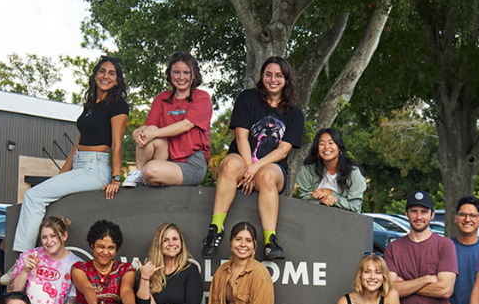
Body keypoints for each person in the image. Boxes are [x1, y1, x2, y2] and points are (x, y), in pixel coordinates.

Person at [13, 56, 130, 252]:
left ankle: (22, 259)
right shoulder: (90, 106)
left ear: (117, 80)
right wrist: (60, 177)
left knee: (33, 196)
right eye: (102, 71)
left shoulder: (118, 105)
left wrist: (116, 179)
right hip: (79, 165)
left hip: (95, 168)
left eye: (112, 73)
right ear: (95, 75)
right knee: (42, 195)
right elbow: (77, 144)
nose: (106, 76)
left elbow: (117, 144)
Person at [201, 56, 305, 261]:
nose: (273, 79)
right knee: (230, 164)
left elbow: (284, 150)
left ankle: (270, 241)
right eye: (268, 74)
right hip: (243, 162)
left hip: (272, 169)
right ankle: (215, 230)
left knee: (266, 175)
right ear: (262, 76)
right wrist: (249, 168)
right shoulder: (247, 98)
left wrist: (255, 169)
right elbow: (241, 136)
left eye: (279, 75)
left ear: (286, 79)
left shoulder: (295, 113)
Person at [384, 191, 457, 304]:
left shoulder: (445, 245)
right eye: (414, 211)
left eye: (424, 212)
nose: (419, 216)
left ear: (432, 214)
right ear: (406, 213)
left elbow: (445, 289)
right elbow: (389, 290)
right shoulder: (393, 248)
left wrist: (404, 284)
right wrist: (425, 279)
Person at [125, 51, 212, 187]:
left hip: (191, 162)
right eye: (176, 72)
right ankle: (138, 173)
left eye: (186, 73)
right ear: (170, 74)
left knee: (151, 170)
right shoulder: (162, 98)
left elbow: (185, 125)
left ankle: (143, 174)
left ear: (193, 75)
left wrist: (153, 133)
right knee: (149, 130)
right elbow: (148, 126)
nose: (181, 77)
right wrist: (136, 132)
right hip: (166, 156)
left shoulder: (202, 98)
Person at [70, 220, 138, 304]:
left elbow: (126, 291)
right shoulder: (79, 268)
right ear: (92, 245)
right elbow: (87, 288)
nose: (105, 252)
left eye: (111, 248)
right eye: (101, 247)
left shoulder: (125, 269)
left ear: (116, 248)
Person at [294, 128, 367, 212]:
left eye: (331, 143)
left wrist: (331, 194)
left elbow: (355, 207)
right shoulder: (308, 171)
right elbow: (303, 199)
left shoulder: (353, 173)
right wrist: (321, 199)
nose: (326, 147)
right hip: (313, 219)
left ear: (339, 148)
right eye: (321, 144)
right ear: (317, 149)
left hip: (344, 222)